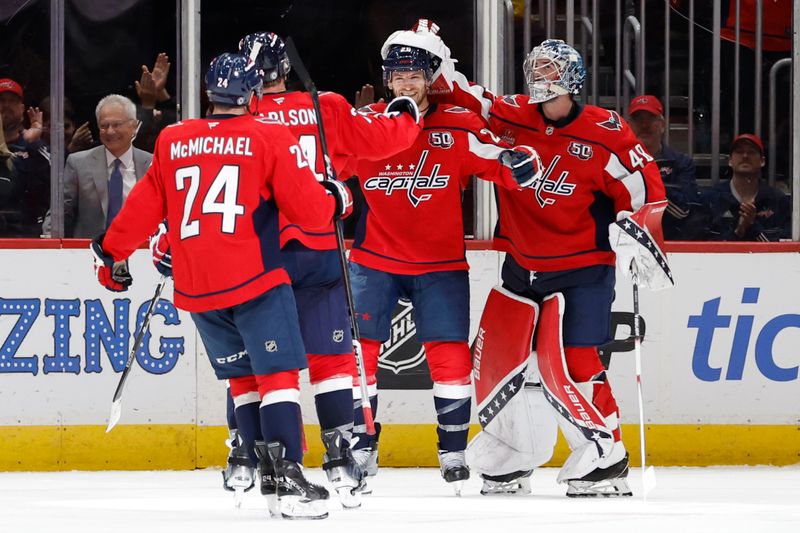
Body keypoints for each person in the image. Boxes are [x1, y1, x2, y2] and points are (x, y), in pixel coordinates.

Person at [399, 25, 669, 497]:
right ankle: (511, 454)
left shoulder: (605, 131)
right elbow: (463, 94)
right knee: (496, 360)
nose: (539, 76)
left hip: (583, 269)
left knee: (576, 360)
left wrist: (637, 230)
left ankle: (606, 455)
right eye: (535, 68)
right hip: (522, 265)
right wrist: (433, 56)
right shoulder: (514, 116)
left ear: (573, 79)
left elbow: (641, 185)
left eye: (550, 69)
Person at [92, 52, 352, 520]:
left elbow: (142, 210)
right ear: (252, 95)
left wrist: (111, 255)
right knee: (277, 378)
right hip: (253, 279)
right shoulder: (268, 135)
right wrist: (337, 197)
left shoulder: (172, 139)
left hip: (196, 290)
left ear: (209, 95)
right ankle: (288, 477)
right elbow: (311, 212)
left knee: (243, 380)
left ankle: (260, 472)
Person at [209, 31, 422, 509]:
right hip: (319, 249)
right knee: (330, 360)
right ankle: (339, 452)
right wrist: (405, 112)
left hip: (258, 256)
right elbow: (385, 138)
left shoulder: (241, 120)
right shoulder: (325, 107)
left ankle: (244, 450)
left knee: (256, 363)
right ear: (285, 67)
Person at [347, 40, 543, 495]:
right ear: (387, 79)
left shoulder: (456, 125)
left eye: (414, 75)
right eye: (397, 76)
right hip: (374, 259)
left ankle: (452, 449)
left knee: (450, 355)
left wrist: (518, 165)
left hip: (439, 262)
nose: (406, 83)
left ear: (431, 78)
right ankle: (363, 442)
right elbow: (326, 166)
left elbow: (497, 156)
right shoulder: (368, 124)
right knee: (361, 354)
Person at [43, 94, 152, 237]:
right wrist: (48, 245)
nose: (110, 131)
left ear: (133, 127)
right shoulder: (78, 163)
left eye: (117, 125)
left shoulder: (152, 164)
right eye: (104, 126)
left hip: (141, 253)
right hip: (88, 253)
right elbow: (60, 214)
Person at [627, 94, 703, 240]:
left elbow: (684, 211)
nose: (644, 125)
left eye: (650, 119)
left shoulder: (681, 163)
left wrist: (649, 177)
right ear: (628, 125)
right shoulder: (616, 163)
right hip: (626, 244)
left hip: (670, 245)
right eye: (638, 119)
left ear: (662, 125)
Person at [704, 133, 790, 241]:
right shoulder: (710, 199)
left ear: (762, 161)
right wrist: (738, 231)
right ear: (730, 161)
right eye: (739, 152)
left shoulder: (778, 201)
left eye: (752, 152)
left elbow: (784, 251)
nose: (745, 156)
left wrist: (752, 226)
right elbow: (701, 249)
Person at [0, 78, 50, 236]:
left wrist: (33, 144)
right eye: (1, 100)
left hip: (25, 237)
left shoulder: (35, 147)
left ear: (22, 109)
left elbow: (60, 179)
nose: (6, 105)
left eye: (12, 101)